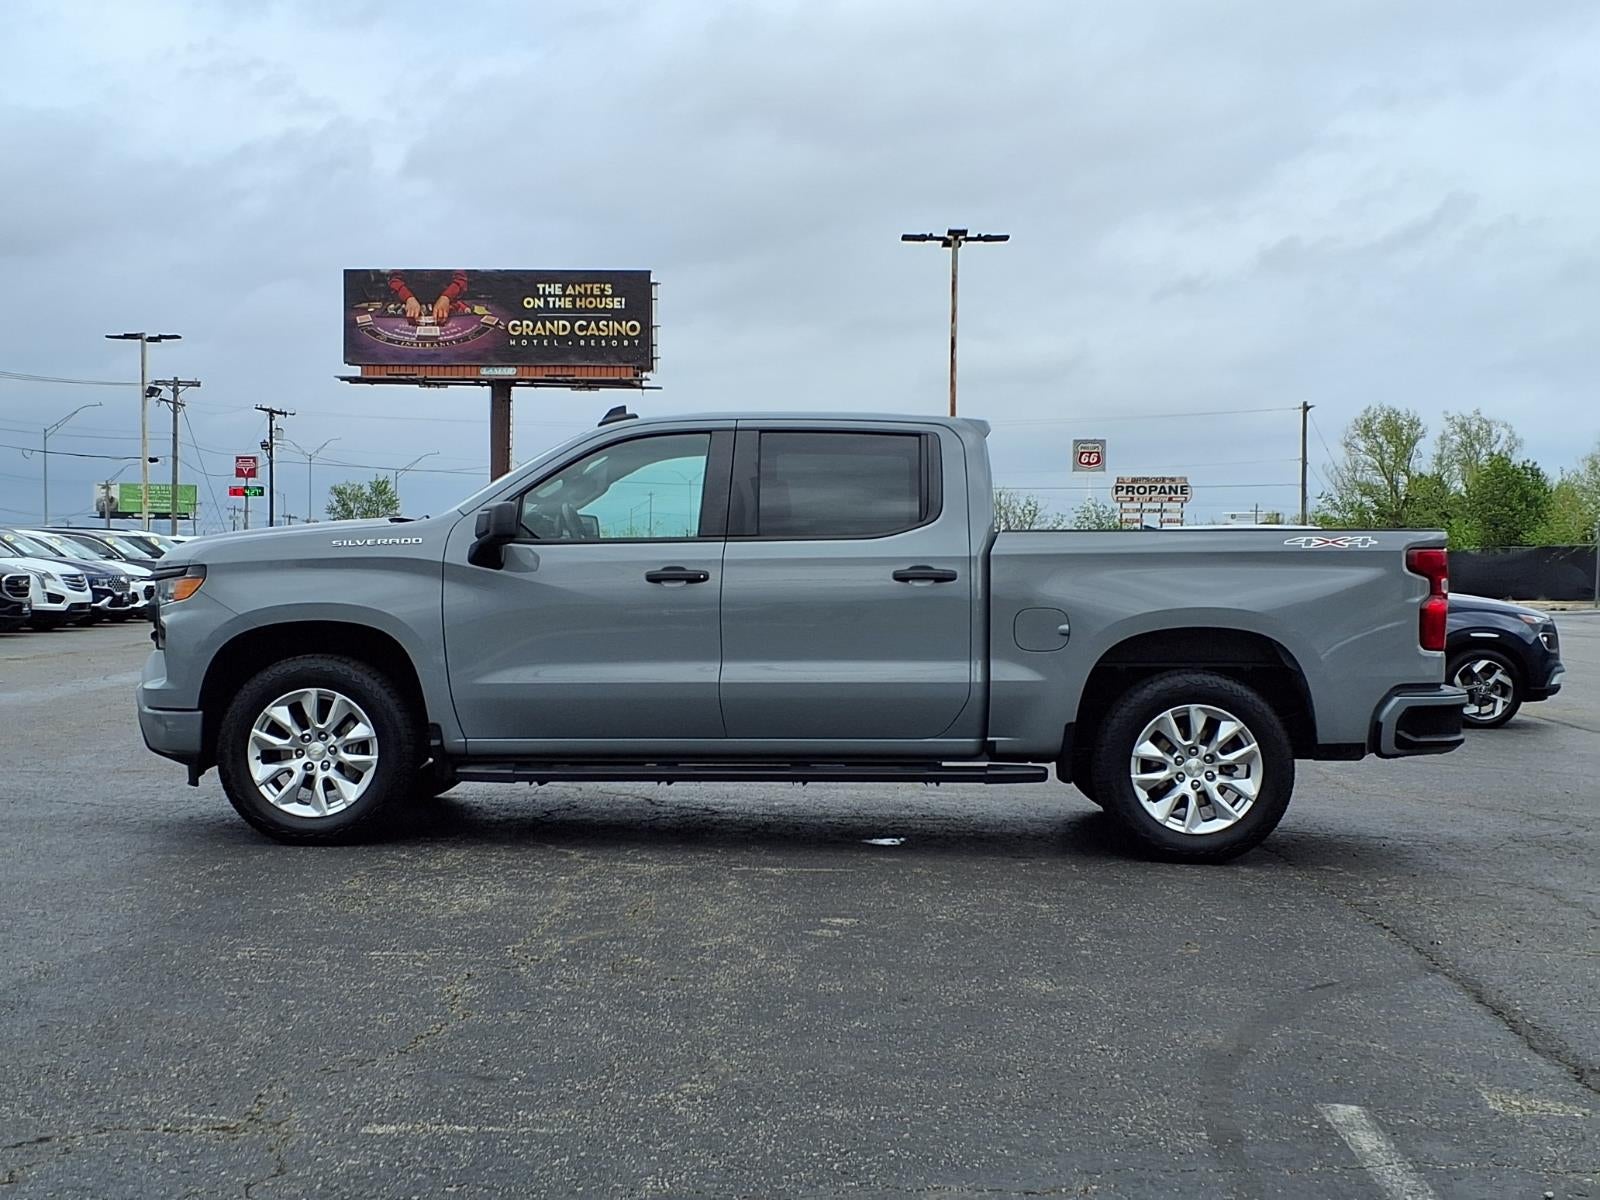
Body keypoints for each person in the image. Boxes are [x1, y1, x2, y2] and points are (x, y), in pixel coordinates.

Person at [386, 270, 469, 323]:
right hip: (409, 306)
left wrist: (446, 297)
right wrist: (408, 298)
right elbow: (394, 279)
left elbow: (460, 279)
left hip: (446, 306)